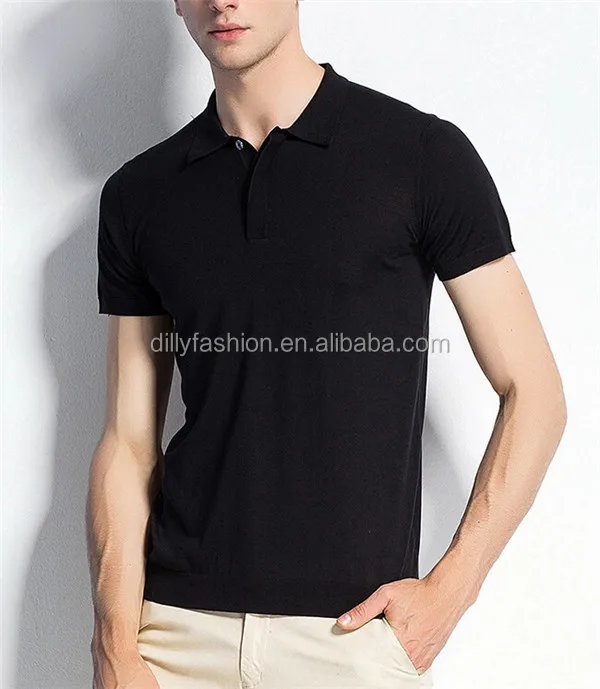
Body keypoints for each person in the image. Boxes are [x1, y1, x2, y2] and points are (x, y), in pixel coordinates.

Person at [86, 1, 567, 688]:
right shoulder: (139, 195)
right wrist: (114, 648)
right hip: (174, 638)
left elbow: (535, 393)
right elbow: (128, 443)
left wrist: (451, 591)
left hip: (350, 639)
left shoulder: (420, 156)